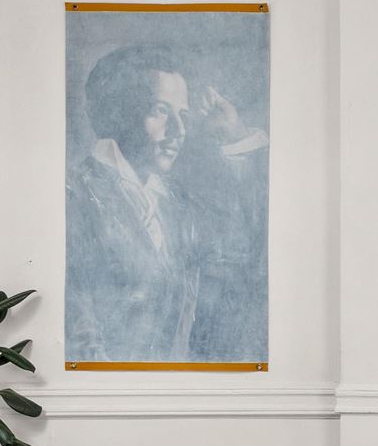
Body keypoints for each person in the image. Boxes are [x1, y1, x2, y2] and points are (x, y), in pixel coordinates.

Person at [67, 44, 268, 363]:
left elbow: (247, 247)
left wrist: (236, 135)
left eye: (183, 116)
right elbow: (78, 332)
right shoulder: (75, 195)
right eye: (160, 111)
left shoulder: (174, 202)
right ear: (118, 110)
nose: (179, 131)